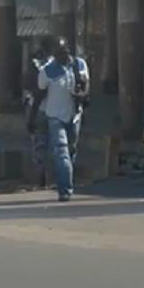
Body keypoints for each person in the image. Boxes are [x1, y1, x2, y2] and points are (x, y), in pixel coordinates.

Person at [35, 36, 90, 201]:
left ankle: (67, 179)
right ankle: (65, 190)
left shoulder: (79, 65)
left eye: (64, 51)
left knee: (71, 150)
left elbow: (86, 86)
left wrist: (80, 94)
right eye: (58, 53)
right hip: (55, 117)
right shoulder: (47, 71)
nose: (62, 55)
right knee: (61, 152)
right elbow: (39, 92)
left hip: (74, 116)